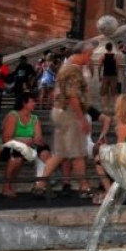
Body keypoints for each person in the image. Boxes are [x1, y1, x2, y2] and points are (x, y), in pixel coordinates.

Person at [32, 41, 93, 198]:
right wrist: (82, 119)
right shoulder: (72, 70)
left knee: (61, 153)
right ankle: (84, 187)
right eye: (89, 54)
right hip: (70, 113)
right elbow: (72, 95)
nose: (90, 58)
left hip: (60, 111)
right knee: (78, 152)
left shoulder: (67, 67)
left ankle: (40, 185)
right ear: (83, 53)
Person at [0, 92, 50, 198]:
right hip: (12, 146)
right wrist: (23, 140)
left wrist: (33, 141)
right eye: (32, 101)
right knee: (16, 157)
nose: (35, 104)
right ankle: (6, 186)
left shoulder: (35, 118)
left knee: (45, 153)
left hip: (30, 146)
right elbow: (6, 138)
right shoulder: (13, 116)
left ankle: (39, 185)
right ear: (24, 103)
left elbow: (38, 138)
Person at [99, 42, 123, 112]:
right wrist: (117, 75)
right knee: (114, 93)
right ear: (111, 48)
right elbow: (117, 66)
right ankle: (116, 108)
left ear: (106, 48)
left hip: (105, 75)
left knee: (104, 93)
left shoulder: (102, 56)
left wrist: (99, 75)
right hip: (113, 75)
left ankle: (105, 108)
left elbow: (99, 66)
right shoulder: (115, 56)